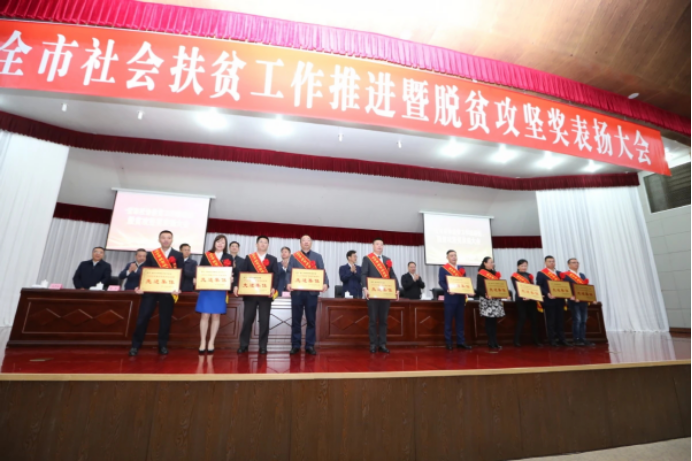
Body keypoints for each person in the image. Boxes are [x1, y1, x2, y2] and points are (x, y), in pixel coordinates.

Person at [129, 231, 184, 356]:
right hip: (151, 291)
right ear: (159, 239)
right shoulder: (152, 254)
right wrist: (140, 285)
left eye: (168, 238)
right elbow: (146, 272)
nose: (166, 240)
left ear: (172, 240)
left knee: (165, 319)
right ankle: (135, 345)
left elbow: (182, 273)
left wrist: (178, 287)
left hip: (168, 292)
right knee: (143, 317)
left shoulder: (178, 255)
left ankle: (162, 345)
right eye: (163, 237)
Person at [233, 236, 280, 355]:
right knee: (247, 320)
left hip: (265, 295)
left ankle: (263, 346)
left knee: (264, 320)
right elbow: (242, 273)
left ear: (268, 245)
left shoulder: (273, 259)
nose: (263, 244)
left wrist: (273, 288)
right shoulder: (249, 258)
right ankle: (243, 344)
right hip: (250, 294)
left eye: (265, 242)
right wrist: (237, 285)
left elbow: (276, 275)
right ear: (256, 244)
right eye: (261, 242)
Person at [286, 235, 329, 356]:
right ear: (300, 243)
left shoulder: (317, 256)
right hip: (297, 293)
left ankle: (310, 345)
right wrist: (288, 283)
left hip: (312, 293)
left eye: (308, 240)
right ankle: (295, 345)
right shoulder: (294, 256)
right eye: (304, 240)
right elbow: (289, 271)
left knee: (311, 320)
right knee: (296, 320)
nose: (306, 242)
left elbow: (322, 271)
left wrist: (325, 283)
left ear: (311, 243)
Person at [196, 235, 234, 355]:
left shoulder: (228, 257)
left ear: (225, 245)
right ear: (214, 243)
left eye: (223, 242)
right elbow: (201, 270)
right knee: (205, 315)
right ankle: (202, 341)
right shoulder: (207, 255)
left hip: (220, 289)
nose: (220, 244)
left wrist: (231, 278)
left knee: (216, 316)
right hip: (207, 289)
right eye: (218, 241)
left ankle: (211, 342)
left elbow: (231, 272)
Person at [362, 238, 400, 354]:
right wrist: (365, 288)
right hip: (373, 294)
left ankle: (382, 344)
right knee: (373, 320)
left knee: (383, 320)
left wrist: (397, 289)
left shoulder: (387, 260)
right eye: (377, 244)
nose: (379, 246)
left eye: (381, 244)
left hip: (385, 294)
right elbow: (363, 274)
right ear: (373, 246)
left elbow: (392, 275)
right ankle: (373, 344)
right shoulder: (367, 258)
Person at [439, 250, 472, 350]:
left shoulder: (461, 268)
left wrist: (469, 290)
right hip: (450, 298)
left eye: (455, 255)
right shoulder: (443, 268)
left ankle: (460, 342)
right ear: (447, 257)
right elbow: (441, 282)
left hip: (460, 298)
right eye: (451, 255)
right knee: (448, 321)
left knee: (460, 321)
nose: (453, 257)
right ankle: (448, 342)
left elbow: (464, 282)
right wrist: (448, 289)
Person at [536, 256, 572, 347]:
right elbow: (539, 286)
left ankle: (562, 339)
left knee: (560, 321)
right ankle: (552, 340)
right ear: (545, 263)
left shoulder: (559, 273)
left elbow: (565, 285)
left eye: (553, 261)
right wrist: (547, 293)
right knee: (551, 321)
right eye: (549, 261)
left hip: (560, 300)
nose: (552, 263)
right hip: (549, 300)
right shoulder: (541, 273)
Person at [562, 258, 595, 347]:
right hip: (574, 301)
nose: (576, 264)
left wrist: (591, 298)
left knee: (584, 320)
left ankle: (582, 338)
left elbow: (586, 288)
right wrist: (570, 296)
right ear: (569, 265)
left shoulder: (582, 275)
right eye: (574, 262)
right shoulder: (566, 275)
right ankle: (576, 339)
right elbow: (565, 288)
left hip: (583, 301)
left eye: (577, 262)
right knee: (577, 320)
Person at [511, 259, 543, 348]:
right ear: (518, 266)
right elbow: (517, 288)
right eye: (522, 266)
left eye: (525, 266)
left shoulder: (529, 275)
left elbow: (533, 287)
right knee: (522, 318)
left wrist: (537, 295)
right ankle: (516, 340)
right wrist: (525, 296)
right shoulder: (514, 276)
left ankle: (536, 340)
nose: (524, 267)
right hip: (521, 300)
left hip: (531, 300)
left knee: (534, 320)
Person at [477, 257, 506, 350]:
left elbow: (498, 286)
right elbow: (479, 288)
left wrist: (504, 294)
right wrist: (485, 294)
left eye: (493, 262)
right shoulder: (481, 273)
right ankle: (490, 341)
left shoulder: (495, 273)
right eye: (490, 262)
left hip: (495, 300)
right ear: (485, 263)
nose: (492, 264)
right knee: (489, 321)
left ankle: (495, 341)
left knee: (494, 321)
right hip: (487, 300)